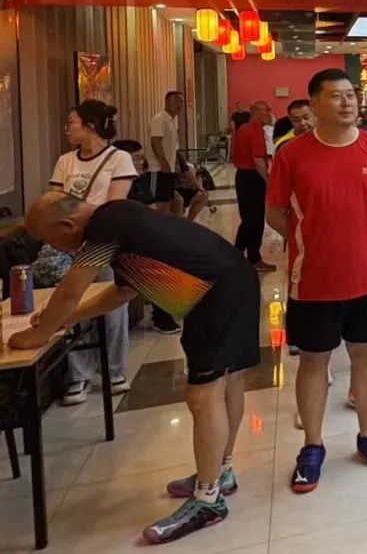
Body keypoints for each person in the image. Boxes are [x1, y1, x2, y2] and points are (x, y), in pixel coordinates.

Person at [11, 193, 259, 543]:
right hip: (231, 283)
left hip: (215, 296)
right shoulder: (121, 220)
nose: (56, 248)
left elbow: (69, 290)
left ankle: (208, 499)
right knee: (228, 382)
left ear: (66, 225)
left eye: (51, 239)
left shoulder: (102, 226)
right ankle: (221, 471)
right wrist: (67, 319)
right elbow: (122, 292)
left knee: (204, 396)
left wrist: (38, 335)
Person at [267, 68, 367, 493]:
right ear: (314, 103)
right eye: (336, 95)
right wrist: (311, 239)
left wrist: (363, 235)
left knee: (366, 355)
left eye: (351, 94)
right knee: (314, 361)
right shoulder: (292, 154)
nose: (347, 102)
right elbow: (275, 212)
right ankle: (312, 445)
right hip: (312, 280)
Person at [48, 100, 137, 406]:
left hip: (105, 242)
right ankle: (79, 374)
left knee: (111, 306)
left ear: (90, 126)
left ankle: (114, 369)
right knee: (71, 304)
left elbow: (114, 205)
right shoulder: (65, 162)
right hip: (71, 243)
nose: (66, 129)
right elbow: (55, 203)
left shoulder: (119, 159)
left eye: (71, 123)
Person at [232, 101, 276, 273]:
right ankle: (253, 259)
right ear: (256, 111)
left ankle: (237, 254)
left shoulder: (243, 129)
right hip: (252, 178)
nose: (269, 113)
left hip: (242, 177)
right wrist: (269, 182)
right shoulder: (255, 130)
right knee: (255, 220)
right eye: (266, 110)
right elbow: (258, 161)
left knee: (249, 219)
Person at [147, 91, 184, 213]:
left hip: (169, 170)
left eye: (181, 102)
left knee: (174, 202)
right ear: (167, 102)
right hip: (157, 170)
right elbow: (155, 142)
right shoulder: (159, 119)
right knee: (160, 205)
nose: (179, 104)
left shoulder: (172, 121)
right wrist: (163, 163)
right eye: (176, 101)